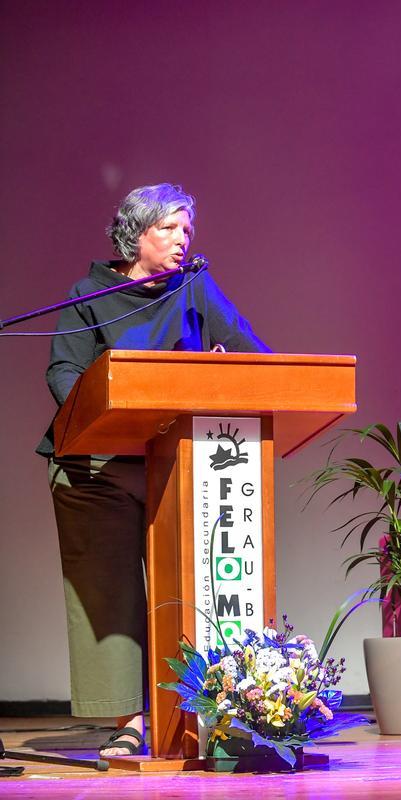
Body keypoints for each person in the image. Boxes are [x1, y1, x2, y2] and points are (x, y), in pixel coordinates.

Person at [37, 184, 269, 756]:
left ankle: (206, 716)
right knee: (111, 594)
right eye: (169, 228)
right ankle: (129, 721)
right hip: (96, 469)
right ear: (136, 233)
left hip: (178, 466)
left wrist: (229, 372)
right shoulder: (87, 294)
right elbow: (64, 374)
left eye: (187, 230)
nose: (182, 239)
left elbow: (254, 355)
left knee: (192, 593)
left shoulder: (196, 286)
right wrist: (99, 416)